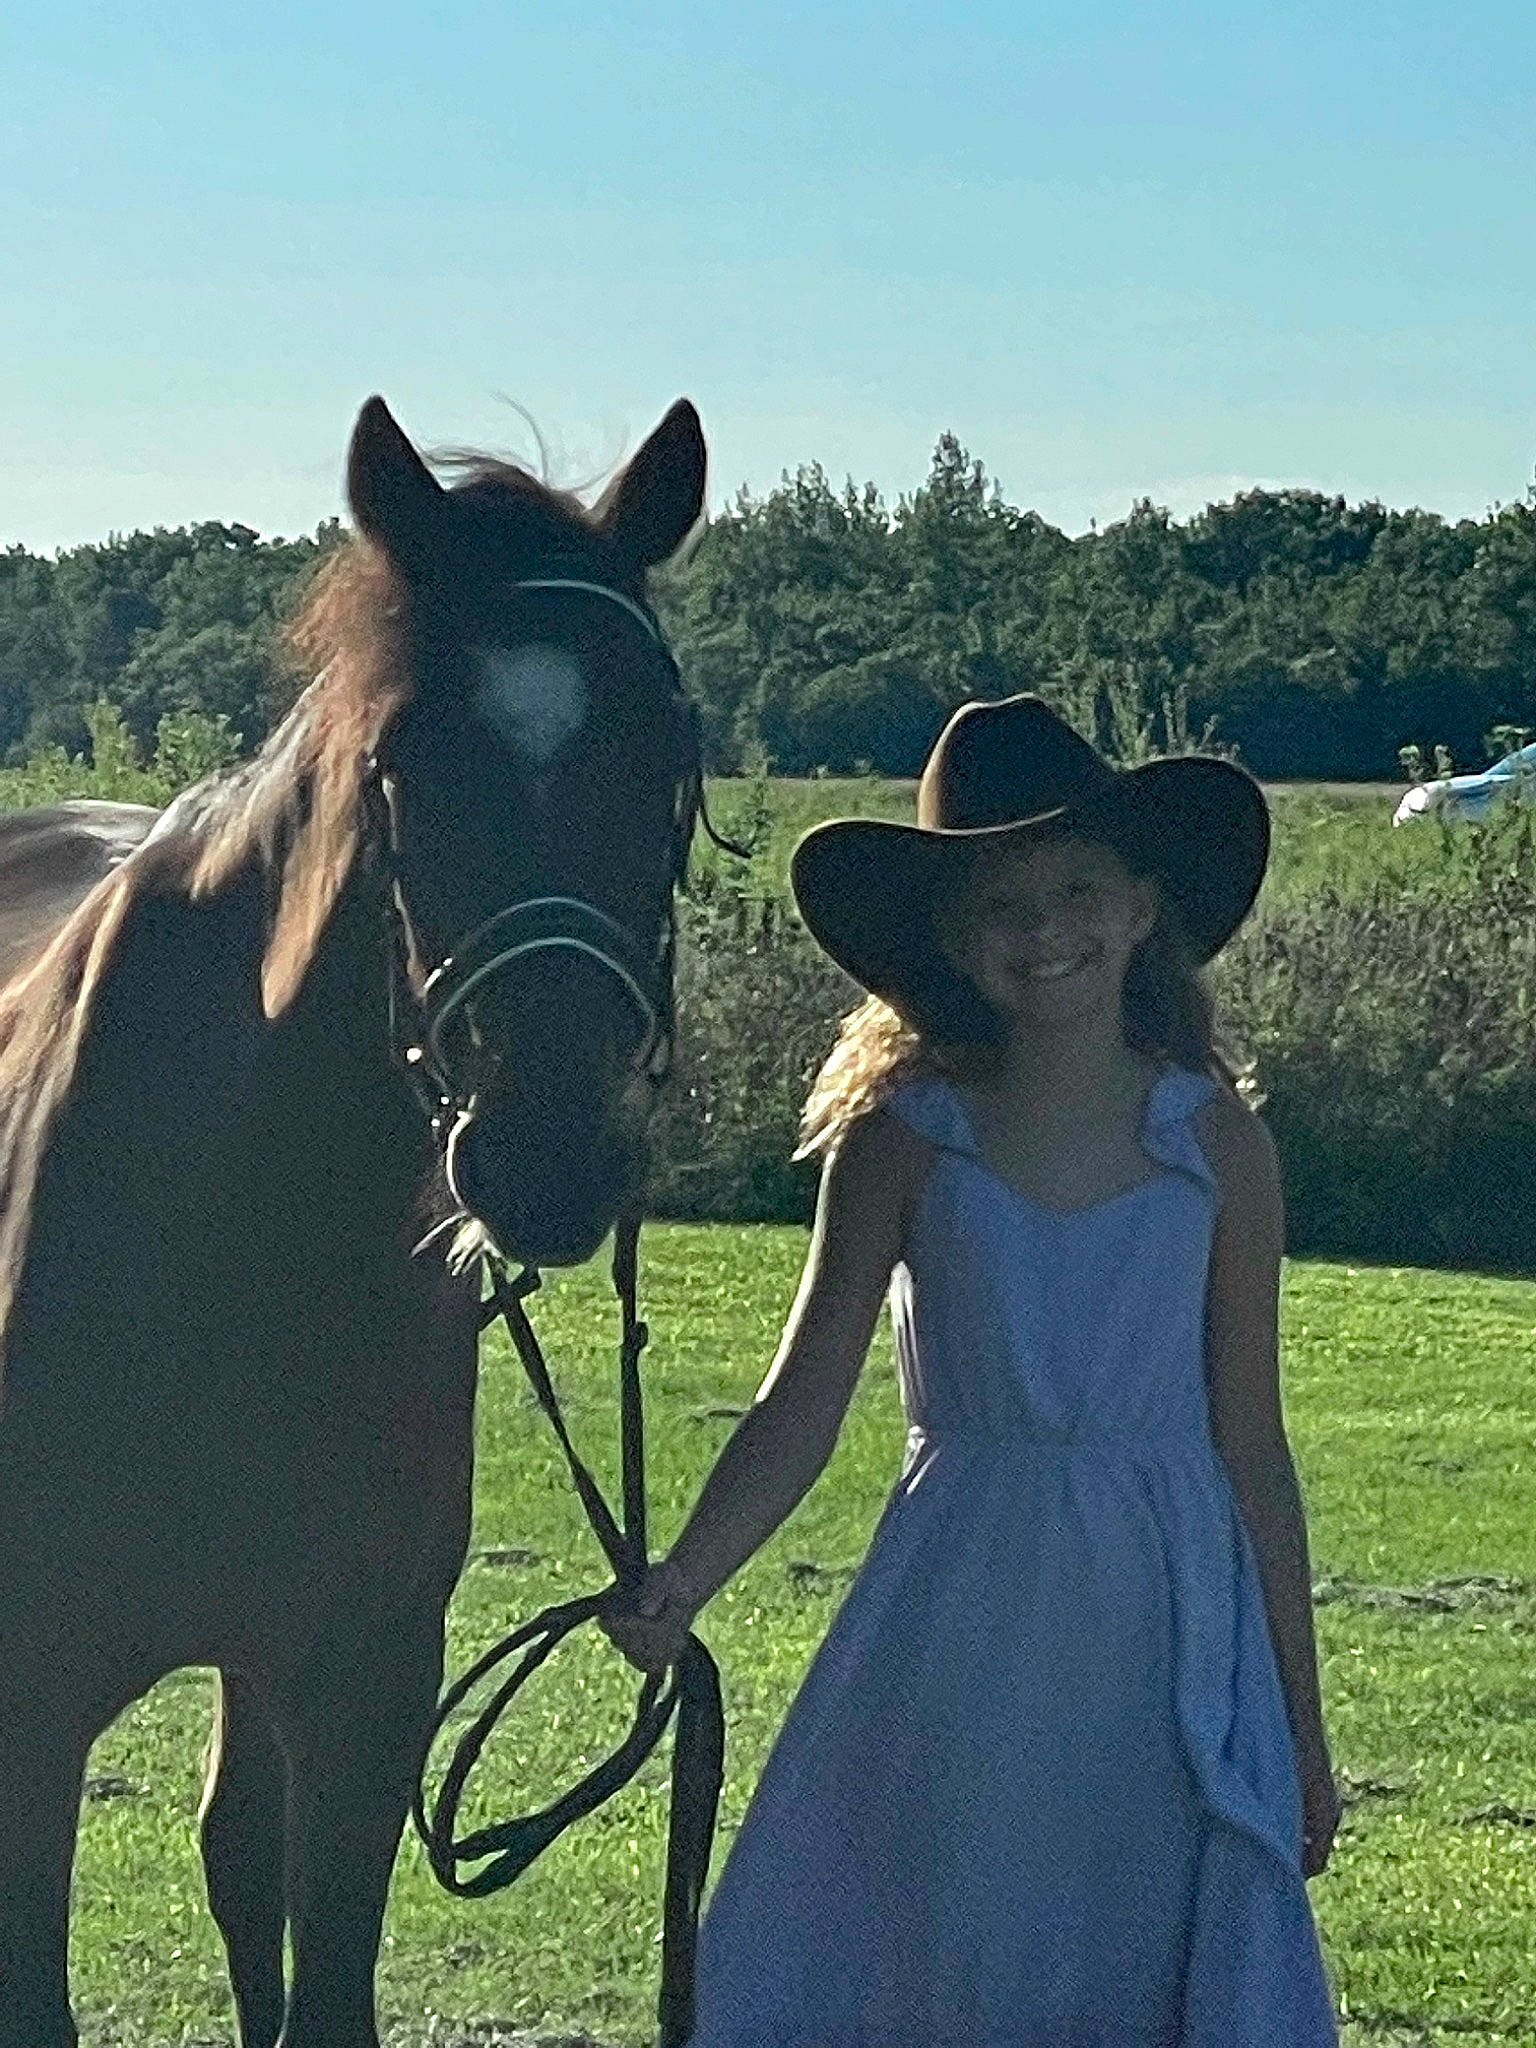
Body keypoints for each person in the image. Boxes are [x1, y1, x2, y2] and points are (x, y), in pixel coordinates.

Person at [604, 694, 1340, 2046]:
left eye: (1075, 893)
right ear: (951, 938)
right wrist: (682, 1580)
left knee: (1133, 1932)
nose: (1043, 931)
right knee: (946, 1922)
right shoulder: (902, 1142)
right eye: (1002, 905)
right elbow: (804, 1395)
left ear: (1140, 910)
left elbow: (1252, 1441)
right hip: (961, 1602)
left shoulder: (1217, 1148)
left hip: (1164, 1613)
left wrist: (1299, 1719)